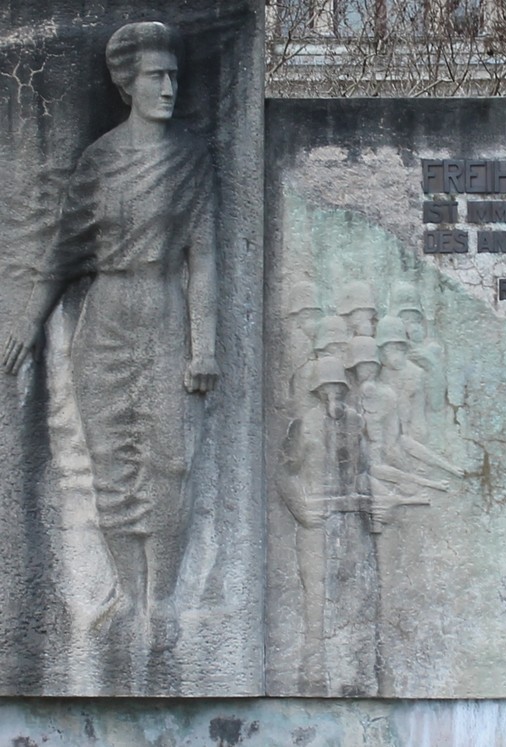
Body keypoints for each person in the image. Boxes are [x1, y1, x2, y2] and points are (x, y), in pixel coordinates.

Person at [2, 22, 218, 687]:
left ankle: (161, 600)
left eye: (175, 76)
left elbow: (203, 258)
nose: (169, 87)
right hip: (105, 320)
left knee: (169, 460)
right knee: (114, 462)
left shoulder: (189, 158)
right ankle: (129, 593)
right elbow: (65, 249)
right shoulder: (99, 160)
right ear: (127, 82)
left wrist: (203, 346)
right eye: (156, 76)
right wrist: (28, 324)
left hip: (162, 311)